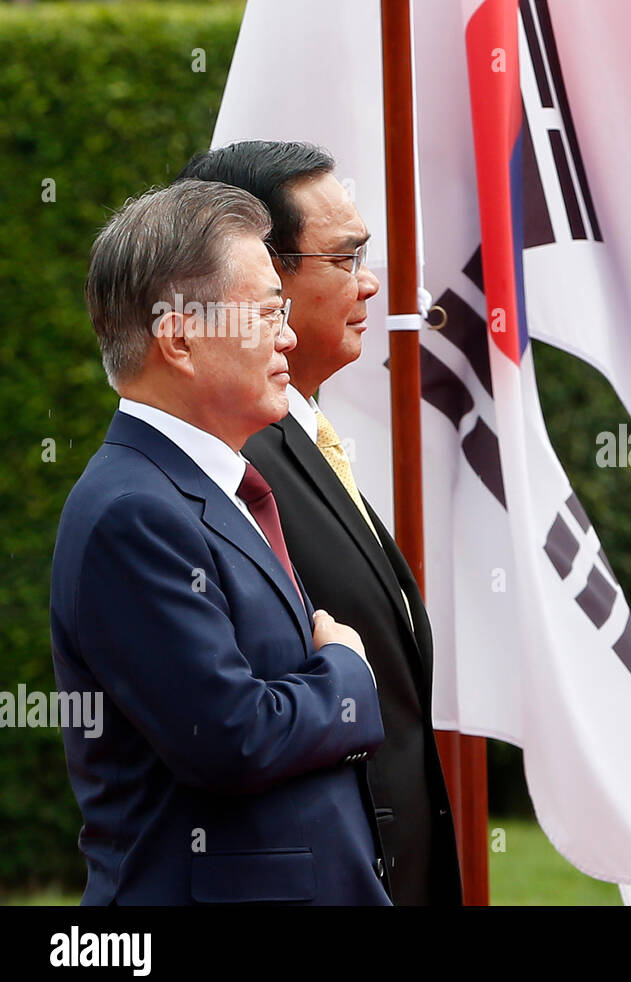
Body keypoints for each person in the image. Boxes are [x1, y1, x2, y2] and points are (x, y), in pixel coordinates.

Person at [50, 180, 391, 905]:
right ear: (177, 337)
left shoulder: (205, 488)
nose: (289, 337)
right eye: (268, 313)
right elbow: (230, 737)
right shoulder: (132, 512)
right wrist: (347, 673)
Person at [178, 142, 462, 906]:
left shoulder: (296, 433)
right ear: (257, 272)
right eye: (345, 259)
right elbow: (234, 725)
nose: (370, 283)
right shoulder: (227, 462)